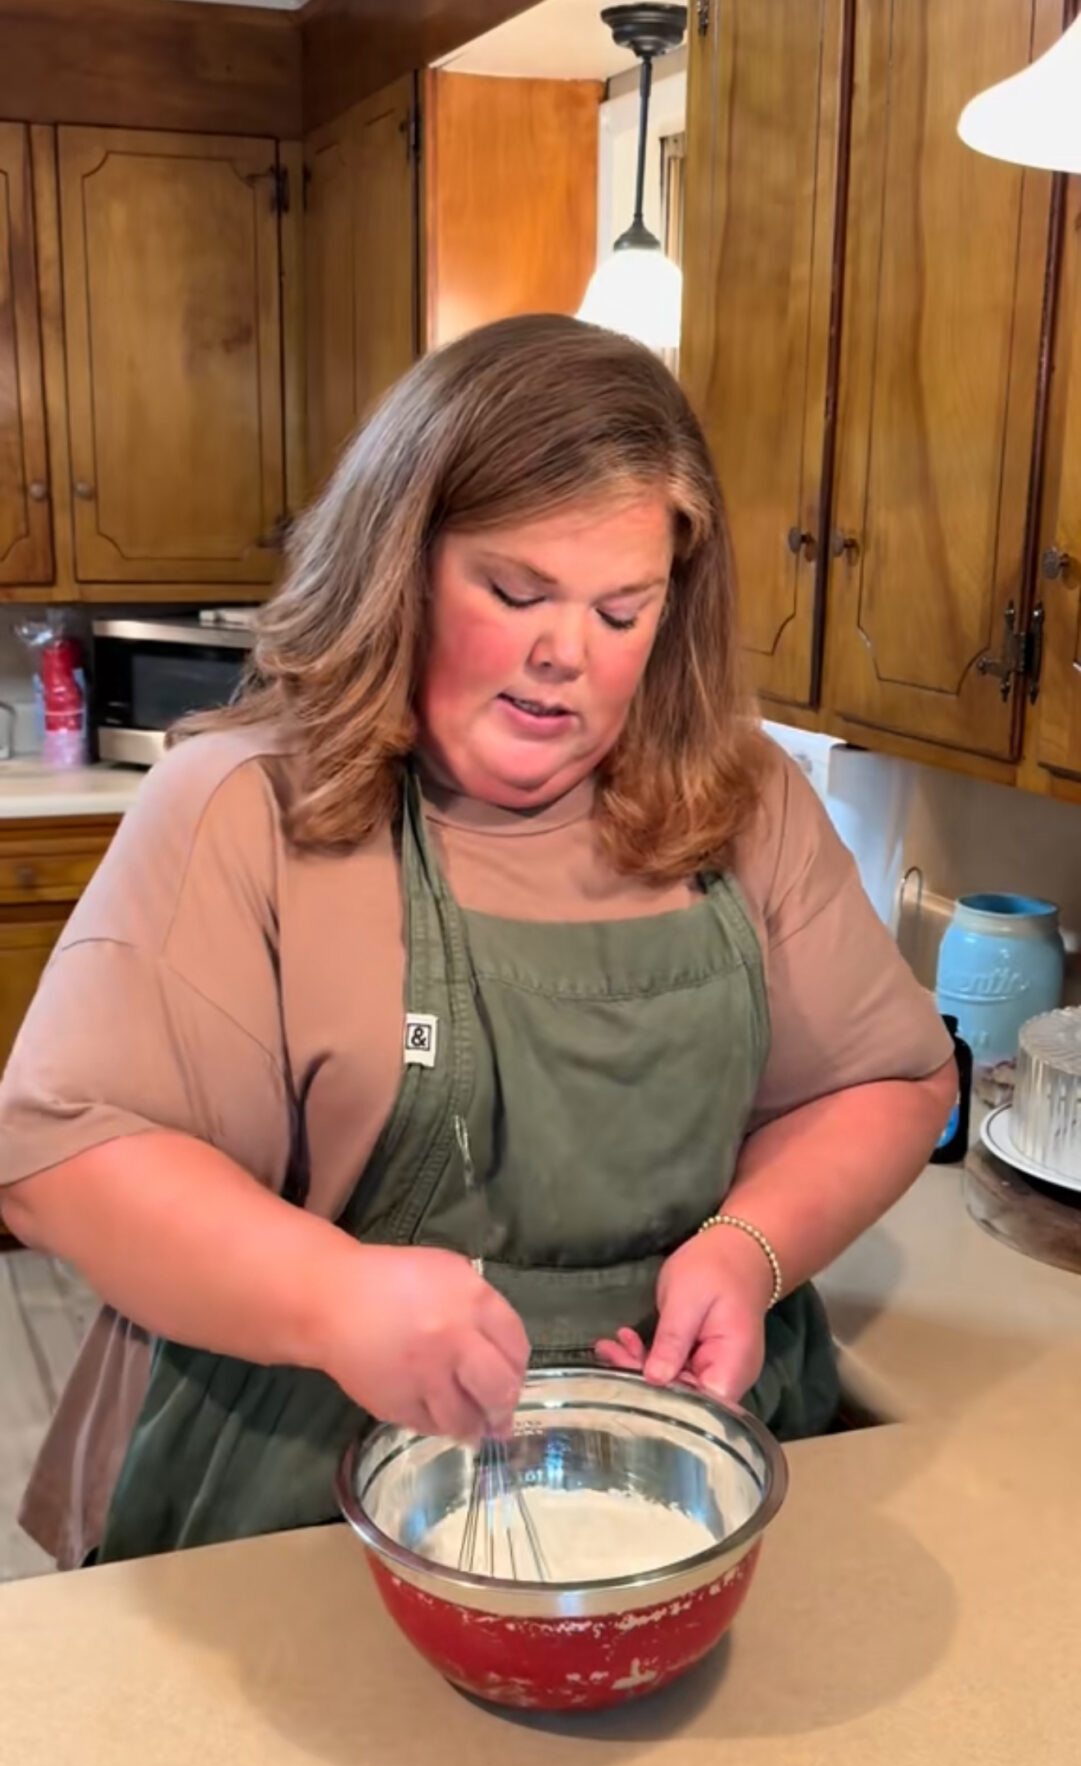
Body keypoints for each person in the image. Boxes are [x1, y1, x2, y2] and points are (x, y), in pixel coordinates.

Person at [0, 315, 954, 1568]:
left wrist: (747, 1249)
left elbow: (888, 1080)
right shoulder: (246, 808)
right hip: (306, 1487)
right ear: (400, 565)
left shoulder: (747, 801)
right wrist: (334, 1297)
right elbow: (62, 1150)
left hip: (690, 1458)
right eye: (515, 592)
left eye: (624, 611)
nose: (566, 656)